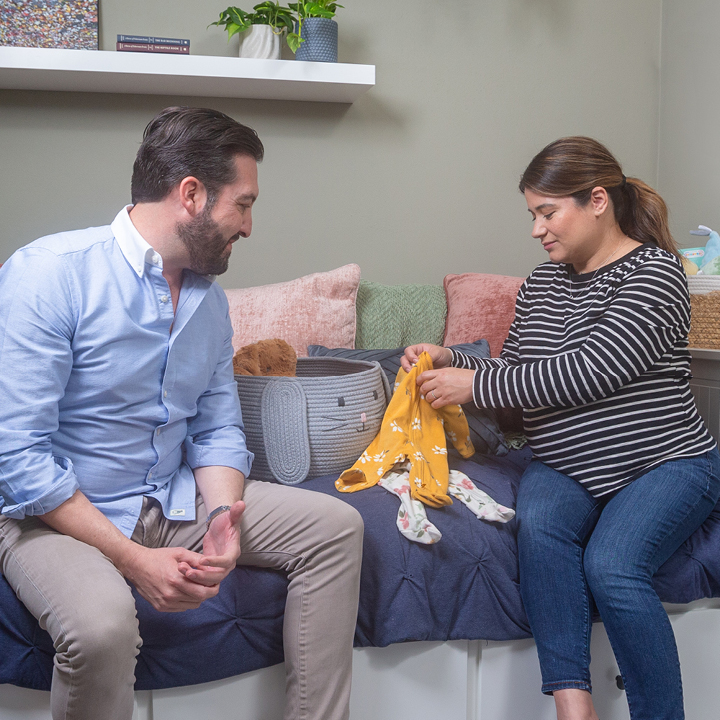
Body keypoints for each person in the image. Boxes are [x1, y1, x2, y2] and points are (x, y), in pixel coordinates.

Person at [0, 106, 363, 720]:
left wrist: (223, 515)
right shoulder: (48, 275)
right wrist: (135, 562)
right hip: (53, 515)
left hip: (168, 498)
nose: (248, 226)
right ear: (191, 195)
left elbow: (218, 426)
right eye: (243, 204)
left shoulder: (208, 301)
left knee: (337, 529)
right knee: (102, 628)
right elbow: (18, 458)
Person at [402, 136, 720, 720]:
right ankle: (574, 707)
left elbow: (588, 373)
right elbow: (520, 371)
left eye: (548, 213)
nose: (536, 229)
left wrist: (473, 387)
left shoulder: (657, 276)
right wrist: (454, 360)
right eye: (533, 215)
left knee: (613, 566)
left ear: (597, 200)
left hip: (666, 462)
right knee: (540, 526)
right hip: (570, 464)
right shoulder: (545, 281)